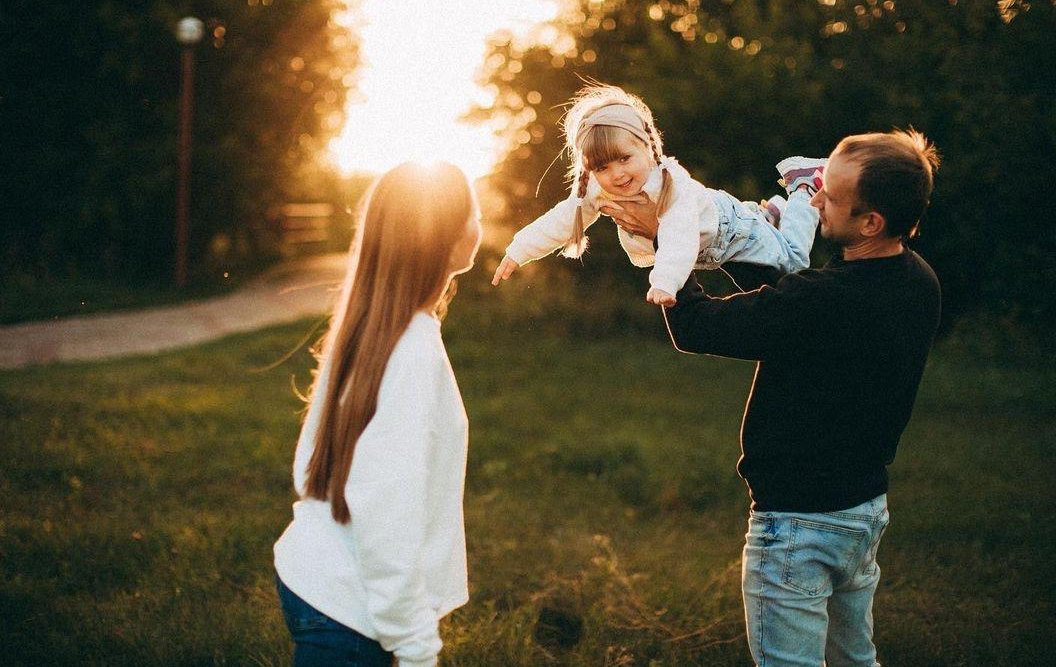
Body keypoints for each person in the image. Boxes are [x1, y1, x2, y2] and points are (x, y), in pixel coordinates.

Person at [604, 129, 942, 667]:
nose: (812, 200)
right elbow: (790, 308)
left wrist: (670, 239)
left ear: (870, 221)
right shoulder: (916, 280)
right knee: (857, 661)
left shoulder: (826, 300)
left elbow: (698, 327)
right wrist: (757, 244)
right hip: (862, 511)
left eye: (828, 196)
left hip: (798, 525)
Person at [273, 162, 482, 667]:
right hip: (350, 612)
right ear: (447, 238)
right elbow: (386, 512)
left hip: (322, 580)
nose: (480, 219)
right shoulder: (410, 352)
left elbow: (311, 464)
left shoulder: (373, 326)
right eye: (474, 209)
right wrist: (414, 646)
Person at [490, 83, 824, 306]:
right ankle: (768, 216)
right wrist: (520, 249)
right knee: (779, 273)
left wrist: (665, 281)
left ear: (648, 147)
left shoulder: (669, 184)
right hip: (715, 242)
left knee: (792, 266)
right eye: (603, 167)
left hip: (734, 232)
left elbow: (678, 233)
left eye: (624, 158)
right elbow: (564, 219)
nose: (617, 174)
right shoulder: (596, 189)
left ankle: (802, 185)